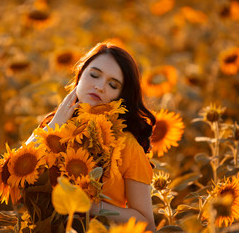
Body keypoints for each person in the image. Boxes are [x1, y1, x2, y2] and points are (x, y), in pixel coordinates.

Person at [26, 42, 157, 232]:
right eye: (94, 75)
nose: (99, 86)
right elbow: (12, 171)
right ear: (80, 76)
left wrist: (89, 205)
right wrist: (54, 126)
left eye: (113, 84)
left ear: (121, 96)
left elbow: (147, 225)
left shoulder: (126, 144)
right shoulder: (53, 126)